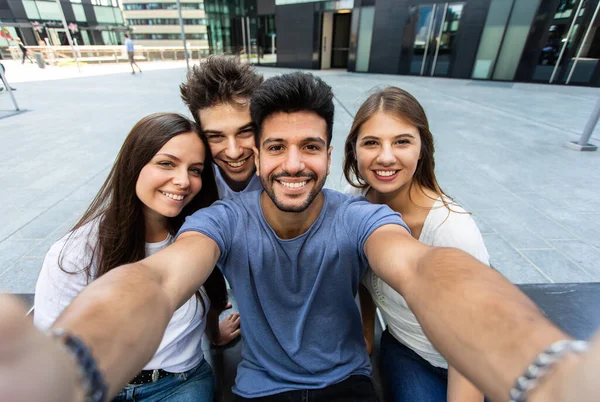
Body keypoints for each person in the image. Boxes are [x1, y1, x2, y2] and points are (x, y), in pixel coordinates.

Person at [1, 72, 599, 402]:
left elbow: (425, 271)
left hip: (346, 385)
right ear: (255, 157)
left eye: (310, 147)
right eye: (277, 147)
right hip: (260, 391)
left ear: (329, 154)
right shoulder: (224, 219)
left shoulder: (358, 215)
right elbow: (158, 281)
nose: (293, 163)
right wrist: (77, 359)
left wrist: (539, 364)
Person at [33, 112, 240, 402]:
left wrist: (215, 334)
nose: (183, 181)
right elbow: (51, 350)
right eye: (166, 163)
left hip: (180, 383)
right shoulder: (76, 253)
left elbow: (206, 290)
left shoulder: (200, 239)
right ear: (134, 164)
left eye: (195, 170)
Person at [344, 87, 487, 402]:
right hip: (407, 351)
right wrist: (367, 337)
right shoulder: (355, 205)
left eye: (402, 141)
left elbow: (475, 339)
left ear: (422, 148)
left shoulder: (452, 229)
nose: (385, 156)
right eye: (371, 142)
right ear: (354, 149)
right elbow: (363, 279)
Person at [180, 55, 264, 200]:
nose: (234, 152)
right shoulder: (187, 184)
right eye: (216, 136)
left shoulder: (289, 173)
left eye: (245, 132)